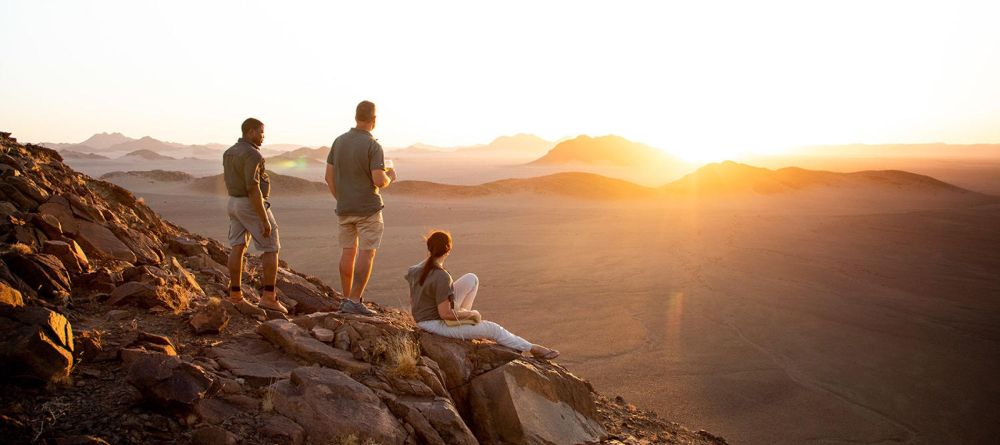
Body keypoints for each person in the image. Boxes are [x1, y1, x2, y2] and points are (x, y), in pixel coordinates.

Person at [407, 231, 560, 359]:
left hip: (424, 318)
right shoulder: (442, 276)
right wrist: (471, 314)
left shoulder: (414, 270)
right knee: (493, 329)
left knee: (471, 279)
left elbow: (413, 299)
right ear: (448, 250)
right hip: (434, 324)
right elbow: (445, 314)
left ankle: (467, 326)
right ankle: (531, 347)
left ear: (429, 247)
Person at [326, 100, 396, 316]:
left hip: (345, 208)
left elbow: (328, 177)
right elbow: (378, 180)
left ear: (356, 117)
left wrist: (342, 198)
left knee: (348, 251)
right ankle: (355, 300)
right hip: (368, 209)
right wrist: (390, 178)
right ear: (374, 120)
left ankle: (346, 298)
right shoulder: (373, 146)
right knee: (367, 252)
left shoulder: (338, 142)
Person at [223, 118, 287, 313]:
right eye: (260, 132)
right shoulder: (253, 154)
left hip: (233, 203)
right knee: (271, 247)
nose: (263, 137)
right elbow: (252, 187)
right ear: (250, 132)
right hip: (249, 204)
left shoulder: (229, 152)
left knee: (238, 246)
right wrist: (264, 218)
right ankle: (269, 297)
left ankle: (235, 295)